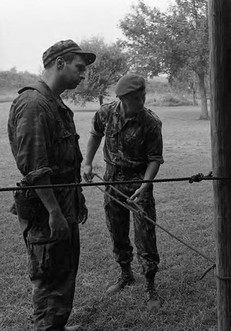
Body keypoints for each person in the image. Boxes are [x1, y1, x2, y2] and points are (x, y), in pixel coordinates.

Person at [8, 39, 95, 331]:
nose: (83, 75)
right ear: (60, 63)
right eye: (79, 68)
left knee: (63, 271)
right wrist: (54, 212)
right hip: (47, 210)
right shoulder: (33, 104)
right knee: (48, 276)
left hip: (63, 202)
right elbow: (35, 168)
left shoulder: (54, 103)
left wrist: (77, 198)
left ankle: (56, 324)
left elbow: (68, 160)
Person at [83, 73, 164, 309]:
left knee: (145, 235)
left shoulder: (150, 121)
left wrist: (146, 185)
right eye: (137, 97)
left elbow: (155, 159)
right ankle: (126, 273)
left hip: (139, 181)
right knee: (117, 230)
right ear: (123, 98)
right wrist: (88, 162)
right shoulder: (106, 112)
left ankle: (150, 284)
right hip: (112, 178)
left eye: (143, 96)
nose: (142, 101)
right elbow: (95, 135)